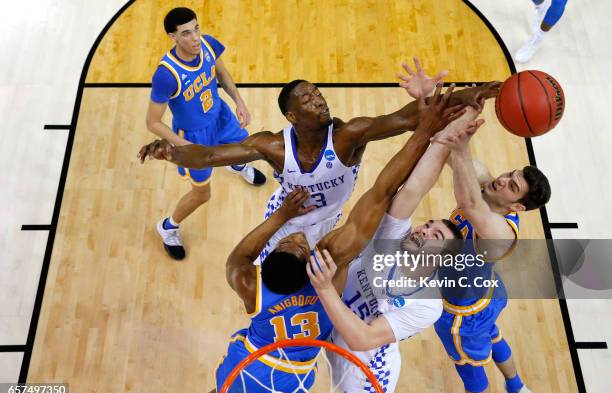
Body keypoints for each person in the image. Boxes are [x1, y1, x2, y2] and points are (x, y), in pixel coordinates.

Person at [202, 84, 465, 393]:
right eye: (300, 246)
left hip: (284, 361)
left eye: (290, 242)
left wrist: (281, 217)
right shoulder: (329, 270)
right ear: (309, 263)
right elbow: (384, 190)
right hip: (300, 373)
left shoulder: (251, 287)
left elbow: (239, 258)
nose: (300, 237)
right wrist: (428, 133)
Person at [140, 57, 500, 261]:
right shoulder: (273, 147)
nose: (319, 100)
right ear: (292, 117)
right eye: (308, 100)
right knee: (273, 286)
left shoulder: (347, 135)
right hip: (282, 220)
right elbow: (209, 156)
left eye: (318, 93)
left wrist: (481, 91)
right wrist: (169, 152)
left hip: (330, 222)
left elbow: (409, 118)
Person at [306, 107, 484, 393]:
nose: (424, 232)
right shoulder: (395, 238)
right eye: (428, 226)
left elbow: (362, 338)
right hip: (329, 329)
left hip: (364, 369)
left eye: (435, 237)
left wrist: (324, 288)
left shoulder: (428, 306)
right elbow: (415, 187)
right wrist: (444, 138)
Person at [431, 123, 552, 393]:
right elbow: (447, 151)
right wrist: (433, 112)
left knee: (471, 372)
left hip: (463, 313)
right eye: (510, 174)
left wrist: (461, 148)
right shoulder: (485, 183)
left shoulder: (501, 234)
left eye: (513, 186)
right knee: (494, 335)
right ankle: (518, 390)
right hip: (489, 293)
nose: (502, 180)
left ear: (518, 207)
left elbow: (470, 205)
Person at [146, 7, 266, 260]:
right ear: (173, 37)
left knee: (247, 148)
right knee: (202, 194)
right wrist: (186, 147)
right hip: (193, 136)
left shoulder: (208, 46)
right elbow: (153, 122)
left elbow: (221, 73)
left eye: (196, 28)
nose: (195, 38)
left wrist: (239, 101)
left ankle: (236, 166)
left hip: (220, 116)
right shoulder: (166, 75)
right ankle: (168, 227)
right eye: (186, 33)